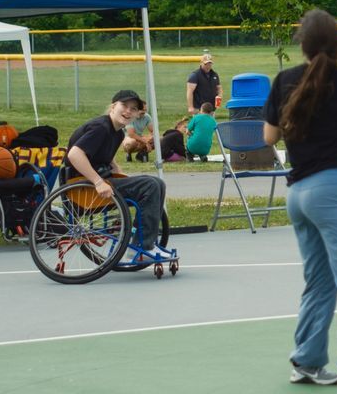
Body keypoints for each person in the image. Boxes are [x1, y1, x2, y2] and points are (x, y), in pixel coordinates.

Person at [264, 9, 337, 394]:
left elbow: (270, 136)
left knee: (319, 281)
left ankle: (307, 361)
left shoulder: (284, 80)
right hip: (332, 190)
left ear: (302, 43)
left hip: (297, 194)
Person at [65, 89, 176, 268]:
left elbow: (105, 156)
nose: (128, 111)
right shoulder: (101, 127)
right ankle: (142, 246)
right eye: (124, 106)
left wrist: (120, 172)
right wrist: (98, 181)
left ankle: (145, 243)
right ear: (113, 106)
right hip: (82, 187)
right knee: (149, 185)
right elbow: (75, 154)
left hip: (99, 181)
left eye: (133, 109)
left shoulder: (115, 132)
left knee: (157, 183)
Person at [186, 51, 221, 116]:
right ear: (201, 63)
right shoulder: (195, 75)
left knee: (210, 125)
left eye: (210, 63)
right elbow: (189, 92)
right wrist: (190, 107)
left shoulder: (215, 75)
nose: (208, 66)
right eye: (206, 64)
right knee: (200, 125)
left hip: (211, 108)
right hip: (199, 108)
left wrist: (219, 99)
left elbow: (219, 88)